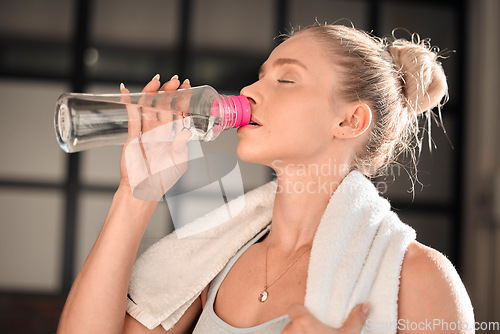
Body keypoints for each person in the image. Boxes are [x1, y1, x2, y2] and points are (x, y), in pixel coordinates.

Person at [57, 23, 474, 334]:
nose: (250, 90)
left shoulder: (420, 278)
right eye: (259, 76)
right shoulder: (215, 261)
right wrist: (137, 192)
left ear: (350, 120)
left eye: (286, 79)